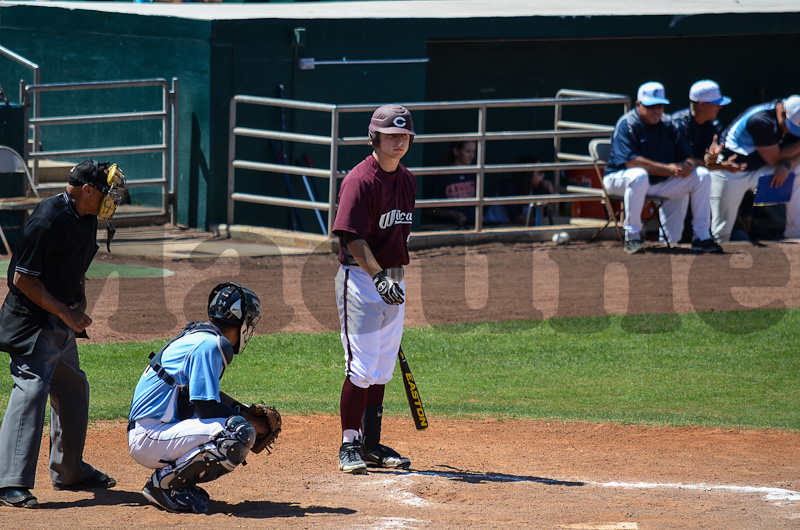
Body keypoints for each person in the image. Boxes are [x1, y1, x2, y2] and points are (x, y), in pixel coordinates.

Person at [0, 160, 126, 508]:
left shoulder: (85, 217)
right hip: (32, 323)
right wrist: (65, 312)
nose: (110, 198)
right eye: (105, 191)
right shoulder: (48, 219)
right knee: (32, 389)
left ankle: (69, 471)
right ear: (87, 190)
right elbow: (23, 280)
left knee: (72, 387)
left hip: (60, 321)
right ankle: (9, 482)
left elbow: (76, 264)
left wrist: (77, 304)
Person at [128, 282, 265, 514]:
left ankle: (179, 484)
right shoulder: (211, 344)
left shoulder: (201, 337)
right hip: (151, 435)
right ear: (238, 318)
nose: (249, 326)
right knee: (237, 433)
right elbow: (205, 407)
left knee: (237, 425)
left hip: (155, 430)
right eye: (249, 320)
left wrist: (243, 410)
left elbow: (200, 396)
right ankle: (163, 486)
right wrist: (251, 422)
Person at [332, 104, 416, 474]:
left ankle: (371, 445)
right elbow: (351, 237)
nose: (399, 141)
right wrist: (379, 276)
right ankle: (348, 444)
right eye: (391, 135)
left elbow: (399, 235)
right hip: (362, 281)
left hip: (392, 279)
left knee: (381, 370)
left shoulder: (407, 180)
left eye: (404, 136)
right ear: (375, 138)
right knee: (362, 368)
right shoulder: (359, 180)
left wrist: (392, 278)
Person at [604, 81, 721, 254]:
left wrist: (687, 166)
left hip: (659, 181)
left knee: (702, 175)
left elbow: (686, 156)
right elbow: (631, 162)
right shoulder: (627, 123)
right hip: (619, 179)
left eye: (660, 106)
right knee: (638, 175)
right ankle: (633, 236)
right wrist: (669, 169)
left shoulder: (670, 124)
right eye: (651, 106)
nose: (656, 111)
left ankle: (702, 237)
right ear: (638, 105)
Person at [710, 95, 800, 242]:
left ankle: (796, 234)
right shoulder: (760, 120)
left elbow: (786, 159)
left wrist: (787, 165)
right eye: (790, 126)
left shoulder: (789, 117)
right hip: (730, 172)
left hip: (759, 170)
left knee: (798, 170)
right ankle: (715, 257)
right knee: (721, 230)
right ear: (782, 112)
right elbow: (775, 158)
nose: (791, 132)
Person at [668, 80, 746, 242]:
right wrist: (716, 164)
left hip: (697, 179)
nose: (720, 107)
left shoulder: (714, 125)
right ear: (702, 105)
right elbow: (683, 163)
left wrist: (713, 160)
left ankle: (710, 235)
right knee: (672, 238)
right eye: (716, 104)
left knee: (708, 176)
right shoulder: (677, 124)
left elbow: (706, 161)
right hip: (672, 179)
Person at [487, 155, 554, 225]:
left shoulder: (536, 189)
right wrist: (540, 222)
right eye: (540, 172)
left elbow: (547, 215)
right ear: (528, 173)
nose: (543, 175)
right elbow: (516, 218)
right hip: (494, 225)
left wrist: (551, 193)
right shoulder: (509, 186)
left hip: (513, 229)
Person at [429, 141, 478, 228]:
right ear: (456, 151)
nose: (471, 155)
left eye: (473, 152)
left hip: (472, 227)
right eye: (467, 151)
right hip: (448, 228)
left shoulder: (474, 173)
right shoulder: (443, 175)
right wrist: (451, 214)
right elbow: (430, 209)